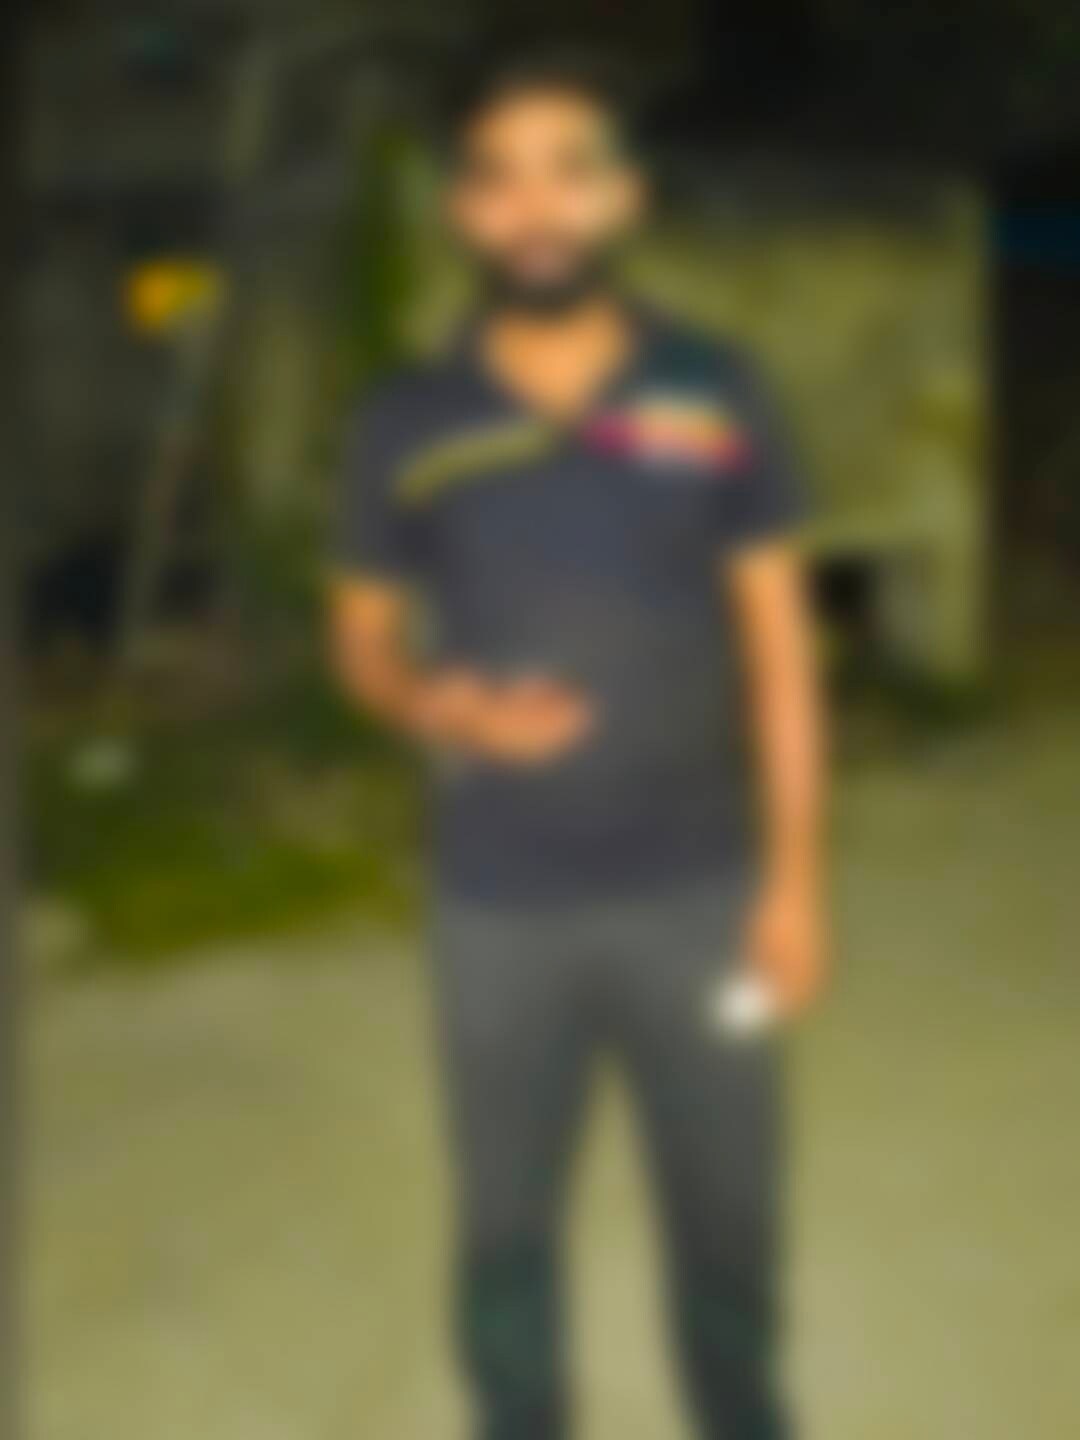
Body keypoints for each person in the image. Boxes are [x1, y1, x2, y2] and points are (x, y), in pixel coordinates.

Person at [330, 49, 828, 1440]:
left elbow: (782, 655)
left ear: (625, 196)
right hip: (498, 909)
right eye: (499, 179)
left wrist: (795, 884)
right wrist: (436, 705)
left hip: (698, 895)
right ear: (463, 212)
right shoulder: (404, 419)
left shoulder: (717, 386)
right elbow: (360, 640)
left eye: (570, 171)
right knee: (505, 1225)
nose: (535, 209)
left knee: (729, 1212)